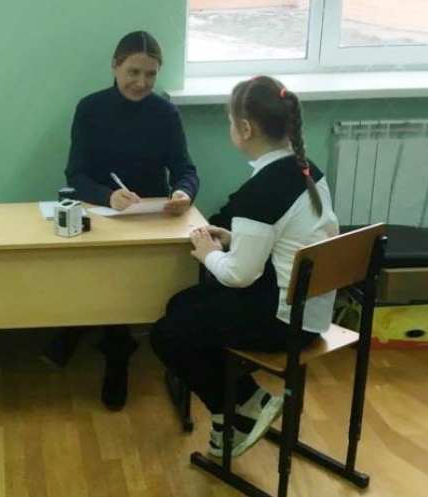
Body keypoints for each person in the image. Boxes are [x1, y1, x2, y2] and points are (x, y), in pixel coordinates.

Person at [150, 75, 339, 458]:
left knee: (167, 334)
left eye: (230, 122)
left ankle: (236, 411)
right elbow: (284, 237)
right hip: (311, 309)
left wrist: (208, 253)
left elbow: (239, 275)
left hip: (285, 322)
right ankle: (247, 403)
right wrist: (234, 237)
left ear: (246, 128)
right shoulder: (306, 169)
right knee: (181, 305)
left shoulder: (260, 190)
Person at [41, 31, 200, 412]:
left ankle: (106, 346)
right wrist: (108, 196)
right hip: (101, 211)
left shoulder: (165, 113)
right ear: (114, 67)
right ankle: (109, 344)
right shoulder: (90, 108)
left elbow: (186, 170)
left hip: (150, 215)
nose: (141, 83)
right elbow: (75, 175)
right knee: (103, 265)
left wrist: (183, 193)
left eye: (150, 74)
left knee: (127, 270)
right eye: (133, 72)